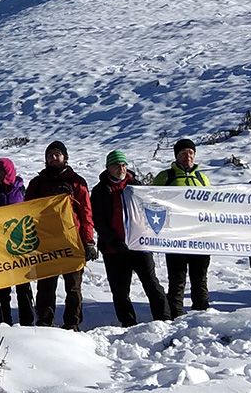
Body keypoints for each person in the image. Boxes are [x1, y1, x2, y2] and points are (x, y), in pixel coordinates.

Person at [90, 149, 169, 325]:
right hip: (114, 249)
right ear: (108, 167)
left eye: (124, 165)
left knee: (152, 284)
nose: (121, 168)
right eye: (117, 165)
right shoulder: (100, 190)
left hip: (140, 246)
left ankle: (164, 319)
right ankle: (128, 323)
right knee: (120, 291)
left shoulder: (138, 186)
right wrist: (113, 240)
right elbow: (98, 220)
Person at [25, 142, 98, 329]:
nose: (53, 158)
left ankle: (72, 323)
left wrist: (88, 241)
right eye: (50, 155)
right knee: (45, 287)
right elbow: (26, 212)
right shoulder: (37, 183)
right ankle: (44, 322)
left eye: (57, 154)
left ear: (65, 157)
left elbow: (86, 214)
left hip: (73, 242)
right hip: (46, 243)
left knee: (73, 287)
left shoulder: (77, 182)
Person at [153, 138, 211, 316]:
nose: (188, 156)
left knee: (200, 278)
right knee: (177, 279)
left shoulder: (202, 177)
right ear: (176, 156)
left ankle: (201, 312)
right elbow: (152, 201)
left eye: (191, 153)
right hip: (175, 237)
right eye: (183, 153)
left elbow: (211, 204)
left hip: (199, 236)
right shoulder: (166, 177)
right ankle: (176, 314)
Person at [0, 158, 33, 325]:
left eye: (1, 171)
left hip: (20, 247)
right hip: (0, 248)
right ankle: (4, 319)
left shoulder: (22, 193)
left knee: (23, 287)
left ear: (9, 171)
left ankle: (27, 320)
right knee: (3, 288)